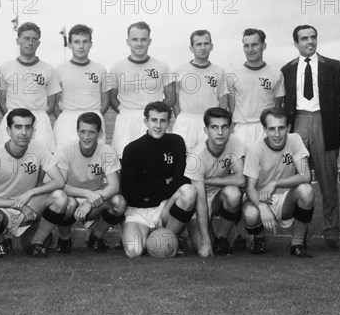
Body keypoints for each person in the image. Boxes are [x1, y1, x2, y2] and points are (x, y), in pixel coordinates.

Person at [281, 25, 340, 249]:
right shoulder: (287, 70)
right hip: (298, 122)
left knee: (328, 182)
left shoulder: (334, 66)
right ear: (296, 43)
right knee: (300, 181)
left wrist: (324, 120)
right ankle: (301, 232)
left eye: (313, 37)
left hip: (323, 124)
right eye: (304, 38)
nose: (310, 42)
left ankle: (331, 231)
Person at [0, 108, 66, 258]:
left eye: (28, 127)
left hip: (30, 208)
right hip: (1, 209)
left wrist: (30, 193)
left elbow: (59, 181)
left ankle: (36, 243)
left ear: (33, 130)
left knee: (60, 197)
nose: (24, 132)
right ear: (8, 130)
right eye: (18, 127)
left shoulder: (38, 148)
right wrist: (18, 205)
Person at [120, 101, 197, 257]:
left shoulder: (176, 143)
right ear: (146, 121)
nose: (158, 125)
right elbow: (129, 192)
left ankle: (166, 236)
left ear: (169, 122)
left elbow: (180, 180)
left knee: (188, 192)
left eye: (163, 121)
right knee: (133, 251)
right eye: (154, 120)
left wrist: (150, 191)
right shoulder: (132, 149)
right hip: (139, 211)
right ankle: (153, 237)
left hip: (164, 208)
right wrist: (164, 182)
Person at [242, 108, 314, 257]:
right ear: (264, 130)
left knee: (306, 190)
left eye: (281, 128)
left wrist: (275, 183)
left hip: (285, 199)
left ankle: (297, 244)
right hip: (261, 198)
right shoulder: (255, 150)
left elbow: (305, 176)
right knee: (250, 214)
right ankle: (259, 239)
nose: (277, 134)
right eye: (272, 129)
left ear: (288, 128)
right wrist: (262, 207)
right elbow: (249, 188)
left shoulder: (295, 140)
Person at [54, 112, 126, 253]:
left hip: (96, 202)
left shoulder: (107, 151)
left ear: (99, 133)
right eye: (83, 132)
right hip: (72, 198)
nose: (86, 137)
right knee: (66, 203)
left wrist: (89, 202)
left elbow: (114, 186)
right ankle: (65, 238)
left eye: (91, 132)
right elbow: (60, 185)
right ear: (77, 131)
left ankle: (96, 236)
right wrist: (87, 194)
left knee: (119, 203)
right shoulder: (65, 149)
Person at [108, 21, 175, 157]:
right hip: (126, 122)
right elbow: (112, 97)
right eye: (134, 39)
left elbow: (171, 98)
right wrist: (124, 110)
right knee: (125, 163)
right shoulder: (116, 68)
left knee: (155, 162)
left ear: (149, 41)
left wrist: (155, 113)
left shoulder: (163, 66)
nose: (139, 43)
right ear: (128, 41)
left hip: (153, 121)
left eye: (143, 39)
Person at [185, 107, 246, 256]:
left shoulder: (235, 142)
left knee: (233, 194)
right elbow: (200, 202)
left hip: (217, 195)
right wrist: (206, 242)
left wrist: (207, 180)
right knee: (202, 247)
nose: (220, 132)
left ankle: (222, 238)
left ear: (231, 128)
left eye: (224, 127)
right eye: (214, 127)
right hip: (198, 200)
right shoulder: (196, 157)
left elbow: (241, 179)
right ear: (206, 130)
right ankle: (198, 236)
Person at [0, 22, 61, 152]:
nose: (30, 42)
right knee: (8, 160)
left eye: (34, 39)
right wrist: (14, 119)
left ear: (38, 43)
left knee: (41, 162)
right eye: (26, 38)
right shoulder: (4, 68)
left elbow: (51, 105)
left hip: (39, 121)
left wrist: (35, 120)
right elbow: (2, 102)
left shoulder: (48, 69)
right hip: (14, 119)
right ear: (18, 40)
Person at [227, 28, 285, 148]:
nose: (250, 49)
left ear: (264, 46)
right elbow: (231, 106)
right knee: (241, 166)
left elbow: (278, 106)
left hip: (265, 128)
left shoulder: (276, 74)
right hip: (241, 129)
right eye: (246, 45)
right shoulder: (233, 75)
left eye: (254, 45)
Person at [172, 30, 227, 153]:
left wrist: (217, 121)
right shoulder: (179, 70)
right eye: (198, 44)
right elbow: (174, 99)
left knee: (209, 158)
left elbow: (223, 102)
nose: (203, 48)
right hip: (186, 121)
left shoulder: (219, 71)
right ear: (191, 48)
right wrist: (180, 116)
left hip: (209, 122)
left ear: (211, 46)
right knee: (182, 159)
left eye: (206, 44)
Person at [53, 25, 110, 145]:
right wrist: (64, 119)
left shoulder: (101, 69)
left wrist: (95, 118)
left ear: (91, 44)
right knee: (66, 161)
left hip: (93, 119)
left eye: (85, 42)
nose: (81, 46)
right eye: (76, 42)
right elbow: (54, 103)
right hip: (67, 121)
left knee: (95, 161)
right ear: (69, 45)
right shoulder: (59, 70)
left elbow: (106, 100)